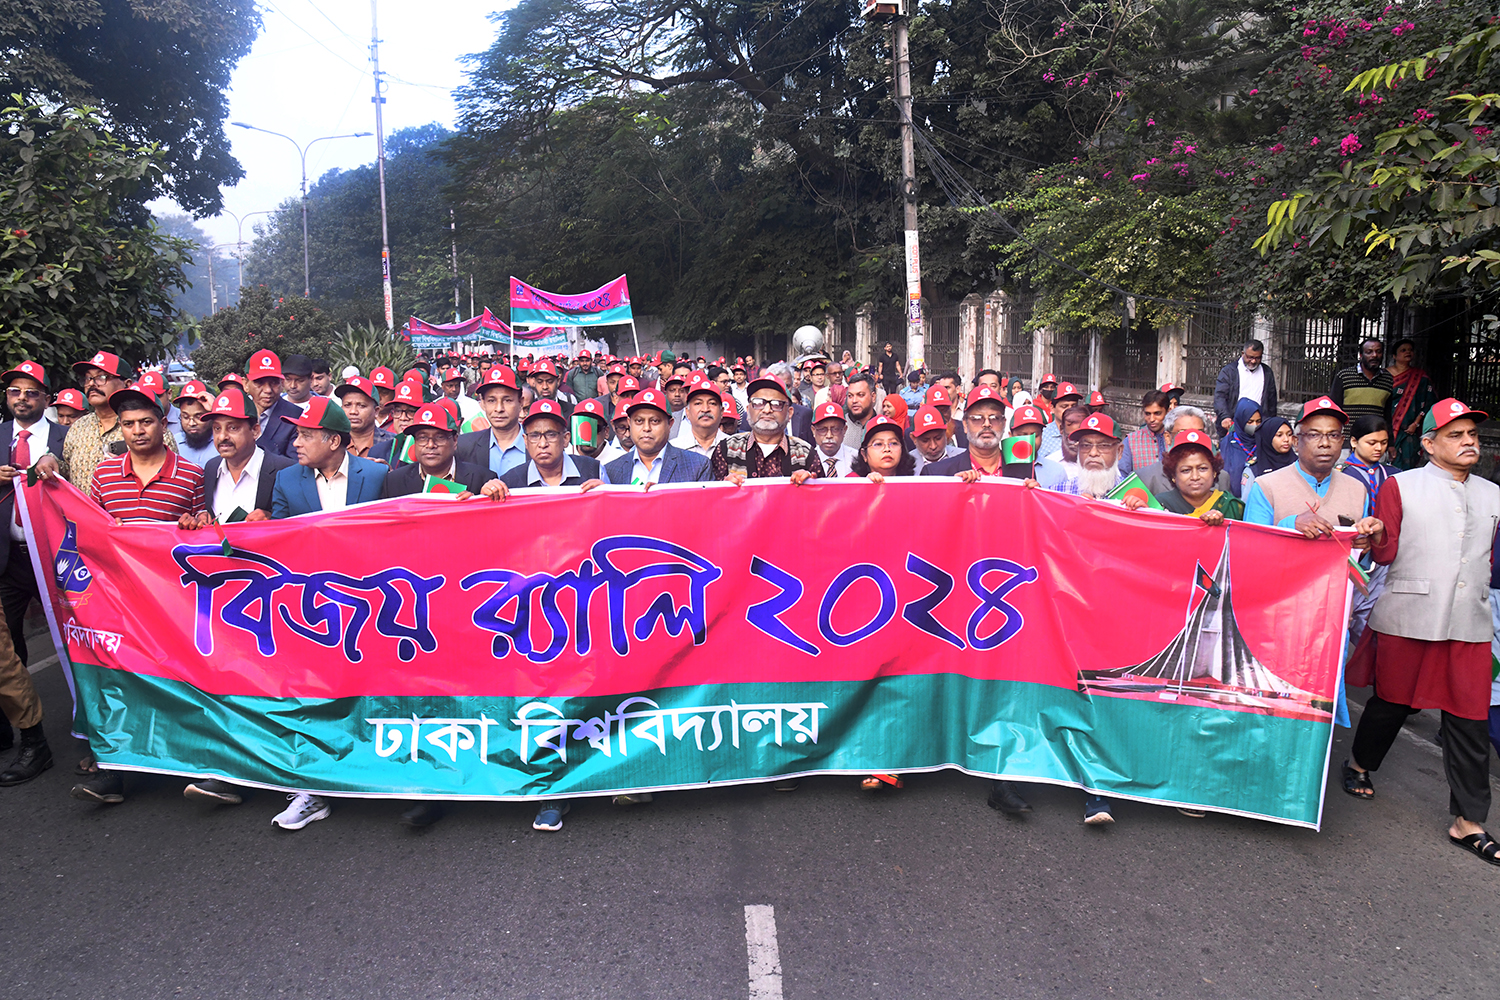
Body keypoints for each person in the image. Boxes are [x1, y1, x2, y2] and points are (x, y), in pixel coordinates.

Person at [1343, 399, 1498, 866]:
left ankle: (1468, 821)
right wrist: (1373, 532)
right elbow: (1385, 550)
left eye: (1473, 435)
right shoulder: (1402, 486)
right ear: (1429, 444)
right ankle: (1360, 763)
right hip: (1410, 615)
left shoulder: (1493, 494)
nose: (1469, 442)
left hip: (1469, 622)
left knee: (1470, 717)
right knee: (1393, 702)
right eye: (1456, 435)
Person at [69, 383, 206, 804]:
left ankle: (194, 760)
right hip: (118, 600)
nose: (138, 430)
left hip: (172, 603)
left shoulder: (191, 475)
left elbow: (204, 532)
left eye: (146, 422)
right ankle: (114, 769)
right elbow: (90, 532)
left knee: (181, 678)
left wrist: (197, 522)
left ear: (163, 424)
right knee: (118, 680)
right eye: (128, 424)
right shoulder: (104, 475)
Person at [262, 396, 387, 830]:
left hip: (369, 611)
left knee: (369, 694)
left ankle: (376, 774)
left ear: (334, 441)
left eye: (306, 435)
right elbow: (276, 542)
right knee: (312, 698)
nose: (296, 442)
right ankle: (312, 790)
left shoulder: (378, 476)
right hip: (311, 612)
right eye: (297, 434)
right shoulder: (285, 480)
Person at [0, 360, 65, 785]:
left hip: (54, 556)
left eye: (30, 392)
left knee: (74, 638)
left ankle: (94, 721)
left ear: (46, 398)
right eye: (14, 391)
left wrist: (58, 465)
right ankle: (16, 731)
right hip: (7, 559)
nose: (21, 399)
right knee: (7, 649)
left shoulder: (65, 437)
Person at [1243, 397, 1369, 533]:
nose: (1325, 443)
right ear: (1296, 442)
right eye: (1314, 435)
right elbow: (1251, 541)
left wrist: (1369, 540)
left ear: (1342, 441)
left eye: (1333, 435)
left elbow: (1362, 542)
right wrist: (1290, 525)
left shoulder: (1357, 490)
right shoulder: (1266, 488)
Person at [199, 389, 295, 523]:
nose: (222, 437)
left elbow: (300, 522)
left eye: (233, 428)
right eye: (217, 428)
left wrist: (273, 519)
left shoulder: (285, 471)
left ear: (255, 431)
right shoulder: (211, 468)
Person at [710, 373, 821, 486]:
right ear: (748, 410)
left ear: (790, 412)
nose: (767, 410)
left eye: (776, 404)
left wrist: (809, 483)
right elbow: (709, 493)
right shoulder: (727, 449)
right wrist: (724, 487)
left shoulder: (805, 454)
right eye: (758, 403)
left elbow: (822, 494)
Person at [381, 404, 497, 499]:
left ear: (455, 440)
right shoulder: (393, 482)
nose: (430, 445)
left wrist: (474, 504)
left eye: (439, 437)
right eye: (422, 438)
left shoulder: (482, 479)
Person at [603, 388, 711, 487]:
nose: (646, 428)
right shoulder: (611, 471)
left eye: (655, 421)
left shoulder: (697, 466)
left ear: (670, 424)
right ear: (629, 423)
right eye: (639, 421)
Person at [497, 399, 604, 491]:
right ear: (525, 441)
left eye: (551, 435)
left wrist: (604, 491)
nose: (543, 444)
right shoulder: (510, 482)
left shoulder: (594, 471)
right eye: (535, 436)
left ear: (565, 439)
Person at [1147, 430, 1245, 523]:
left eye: (1202, 468)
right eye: (1186, 470)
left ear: (1214, 471)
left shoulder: (1232, 507)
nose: (1195, 477)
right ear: (1173, 475)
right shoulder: (1160, 506)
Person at [1140, 406, 1230, 496]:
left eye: (1198, 432)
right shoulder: (1145, 478)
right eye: (1183, 432)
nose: (1192, 438)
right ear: (1167, 437)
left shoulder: (1222, 477)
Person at [456, 365, 527, 479]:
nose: (499, 409)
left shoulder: (539, 444)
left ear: (520, 402)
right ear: (483, 403)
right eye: (491, 401)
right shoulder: (463, 446)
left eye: (507, 400)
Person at [1387, 338, 1437, 469]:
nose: (1407, 352)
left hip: (1409, 430)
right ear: (1394, 356)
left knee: (1407, 465)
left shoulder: (1420, 377)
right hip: (1387, 427)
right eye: (1403, 350)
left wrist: (1416, 423)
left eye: (1410, 350)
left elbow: (1429, 402)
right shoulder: (1383, 376)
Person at [244, 350, 302, 459]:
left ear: (282, 384)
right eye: (259, 382)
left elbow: (295, 464)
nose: (268, 390)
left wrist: (259, 436)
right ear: (245, 384)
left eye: (274, 382)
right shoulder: (238, 411)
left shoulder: (296, 417)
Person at [1212, 340, 1279, 433]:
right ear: (1243, 353)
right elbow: (1220, 397)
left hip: (1259, 426)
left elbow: (1272, 401)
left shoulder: (1267, 372)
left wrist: (1270, 423)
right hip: (1232, 425)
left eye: (1258, 358)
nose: (1253, 361)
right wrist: (1225, 416)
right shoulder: (1229, 371)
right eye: (1250, 357)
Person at [1329, 337, 1394, 426]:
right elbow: (1334, 408)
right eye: (1369, 352)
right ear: (1361, 355)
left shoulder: (1387, 379)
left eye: (1378, 352)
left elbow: (1387, 414)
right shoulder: (1344, 376)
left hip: (1375, 433)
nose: (1374, 355)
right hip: (1349, 433)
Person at [336, 377, 397, 465]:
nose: (353, 411)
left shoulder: (392, 443)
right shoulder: (332, 442)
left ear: (376, 411)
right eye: (347, 405)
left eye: (361, 405)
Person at [672, 376, 729, 458]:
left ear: (721, 412)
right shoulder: (674, 448)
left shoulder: (734, 448)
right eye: (698, 403)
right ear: (687, 412)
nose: (705, 409)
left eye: (712, 403)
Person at [1242, 415, 1296, 497]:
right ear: (1268, 437)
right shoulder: (1254, 469)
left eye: (1289, 434)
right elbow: (1247, 501)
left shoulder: (1299, 464)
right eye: (1279, 435)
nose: (1286, 439)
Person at [1119, 390, 1169, 476]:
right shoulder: (1131, 441)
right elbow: (1121, 475)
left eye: (1157, 413)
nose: (1152, 419)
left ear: (1167, 412)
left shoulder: (1176, 438)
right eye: (1147, 414)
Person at [170, 381, 219, 467]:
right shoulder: (173, 443)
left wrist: (216, 410)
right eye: (185, 417)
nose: (191, 423)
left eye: (198, 417)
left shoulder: (222, 442)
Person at [1221, 400, 1262, 498]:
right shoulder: (1228, 442)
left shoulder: (1264, 441)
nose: (1255, 425)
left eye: (1258, 421)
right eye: (1250, 422)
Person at [811, 401, 858, 478]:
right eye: (823, 429)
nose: (829, 436)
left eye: (835, 429)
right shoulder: (808, 460)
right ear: (813, 431)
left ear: (844, 430)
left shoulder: (857, 459)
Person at [910, 403, 962, 473]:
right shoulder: (906, 465)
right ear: (914, 439)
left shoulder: (963, 458)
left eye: (938, 438)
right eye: (925, 441)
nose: (933, 446)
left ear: (945, 433)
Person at [1039, 383, 1084, 459]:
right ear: (1052, 408)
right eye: (1064, 406)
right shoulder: (1042, 435)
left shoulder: (1084, 433)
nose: (1070, 410)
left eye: (1074, 406)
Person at [844, 372, 878, 444]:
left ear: (873, 397)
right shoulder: (839, 427)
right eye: (850, 396)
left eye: (860, 395)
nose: (854, 400)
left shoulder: (882, 426)